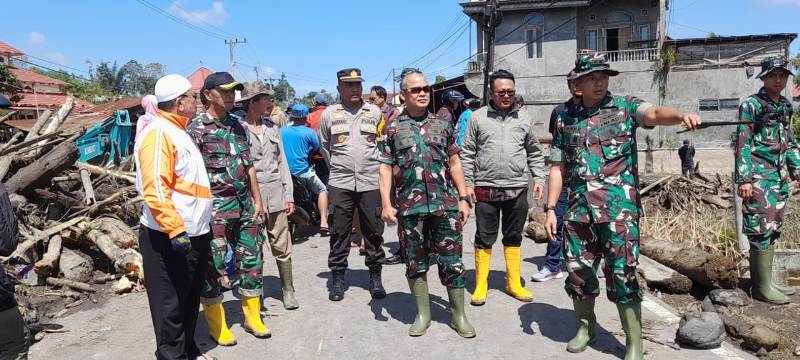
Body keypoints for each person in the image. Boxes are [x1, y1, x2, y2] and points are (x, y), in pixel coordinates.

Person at [545, 54, 701, 359]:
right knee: (578, 273)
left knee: (623, 274)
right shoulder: (564, 118)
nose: (599, 83)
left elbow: (653, 113)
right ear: (577, 84)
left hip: (618, 213)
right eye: (592, 78)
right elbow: (557, 167)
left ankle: (633, 341)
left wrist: (681, 115)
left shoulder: (625, 107)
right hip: (578, 212)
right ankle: (586, 327)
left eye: (603, 77)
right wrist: (551, 208)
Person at [377, 69, 475, 338]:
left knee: (452, 261)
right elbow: (385, 167)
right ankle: (423, 314)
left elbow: (454, 162)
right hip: (410, 208)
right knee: (415, 263)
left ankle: (458, 315)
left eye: (425, 88)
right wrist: (385, 203)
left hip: (445, 206)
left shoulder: (442, 124)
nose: (422, 93)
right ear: (403, 95)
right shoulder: (392, 128)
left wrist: (464, 197)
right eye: (415, 89)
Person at [134, 74, 215, 360]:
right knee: (170, 306)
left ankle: (188, 351)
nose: (197, 101)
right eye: (192, 96)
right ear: (180, 103)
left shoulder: (180, 131)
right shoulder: (159, 133)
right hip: (169, 235)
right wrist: (175, 230)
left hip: (195, 232)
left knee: (188, 300)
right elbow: (155, 187)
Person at [188, 72, 270, 345]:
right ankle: (217, 324)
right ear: (208, 94)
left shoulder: (238, 125)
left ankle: (252, 317)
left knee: (252, 261)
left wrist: (258, 201)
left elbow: (249, 166)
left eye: (233, 91)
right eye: (224, 91)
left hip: (245, 206)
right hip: (215, 210)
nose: (230, 96)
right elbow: (191, 174)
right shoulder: (196, 129)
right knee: (213, 266)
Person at [460, 69, 546, 306]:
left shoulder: (524, 118)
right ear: (491, 93)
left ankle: (513, 283)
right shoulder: (477, 118)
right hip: (485, 189)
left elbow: (534, 151)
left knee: (514, 236)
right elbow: (467, 153)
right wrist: (468, 184)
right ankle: (481, 284)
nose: (507, 96)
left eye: (510, 91)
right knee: (484, 237)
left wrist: (539, 178)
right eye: (501, 92)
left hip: (516, 189)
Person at [735, 55, 800, 305]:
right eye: (773, 75)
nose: (778, 80)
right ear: (763, 77)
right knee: (760, 227)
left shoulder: (785, 105)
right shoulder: (751, 105)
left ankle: (766, 282)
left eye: (782, 75)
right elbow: (743, 143)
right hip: (759, 176)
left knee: (773, 228)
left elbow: (789, 142)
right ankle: (761, 287)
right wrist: (744, 179)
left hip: (779, 176)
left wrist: (797, 170)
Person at [319, 68, 387, 301]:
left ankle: (375, 277)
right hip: (341, 182)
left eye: (358, 84)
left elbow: (381, 144)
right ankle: (338, 279)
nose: (355, 88)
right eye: (349, 85)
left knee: (374, 230)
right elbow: (325, 147)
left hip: (370, 180)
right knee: (339, 231)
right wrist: (340, 168)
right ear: (339, 88)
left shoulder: (374, 112)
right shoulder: (329, 114)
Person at [240, 89, 300, 310]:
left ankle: (288, 290)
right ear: (252, 102)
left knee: (282, 244)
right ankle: (257, 295)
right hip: (251, 198)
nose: (270, 102)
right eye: (265, 98)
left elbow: (282, 163)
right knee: (253, 248)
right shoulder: (238, 129)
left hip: (276, 194)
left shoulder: (272, 127)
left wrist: (288, 195)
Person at [532, 71, 580, 283]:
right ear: (569, 86)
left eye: (580, 81)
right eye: (573, 82)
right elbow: (556, 143)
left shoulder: (598, 112)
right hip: (562, 177)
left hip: (588, 180)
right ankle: (553, 265)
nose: (577, 85)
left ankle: (591, 264)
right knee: (555, 220)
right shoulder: (560, 112)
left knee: (587, 224)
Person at [281, 104, 331, 235]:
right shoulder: (309, 132)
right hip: (303, 171)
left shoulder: (282, 131)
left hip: (284, 173)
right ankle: (324, 222)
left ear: (291, 116)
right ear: (305, 117)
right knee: (322, 190)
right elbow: (317, 148)